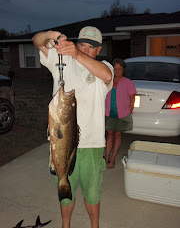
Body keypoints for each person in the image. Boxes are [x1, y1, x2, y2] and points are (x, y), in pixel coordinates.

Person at [32, 26, 113, 228]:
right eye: (82, 45)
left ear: (99, 49)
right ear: (77, 44)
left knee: (92, 194)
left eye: (91, 47)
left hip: (92, 145)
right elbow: (36, 41)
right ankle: (65, 225)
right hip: (61, 144)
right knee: (65, 193)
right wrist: (50, 36)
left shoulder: (104, 67)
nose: (85, 50)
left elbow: (107, 76)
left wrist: (76, 53)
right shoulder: (62, 60)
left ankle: (95, 226)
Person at [105, 58, 136, 168]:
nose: (117, 71)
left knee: (117, 134)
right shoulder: (107, 80)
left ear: (123, 70)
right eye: (115, 69)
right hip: (108, 113)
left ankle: (112, 159)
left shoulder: (128, 83)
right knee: (109, 135)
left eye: (119, 69)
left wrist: (129, 111)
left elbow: (132, 99)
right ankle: (107, 156)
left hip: (121, 114)